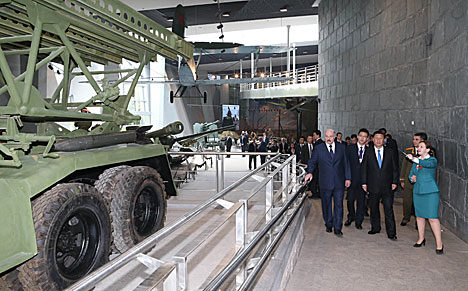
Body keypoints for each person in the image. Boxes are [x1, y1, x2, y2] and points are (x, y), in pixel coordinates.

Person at [305, 129, 351, 236]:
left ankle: (338, 227)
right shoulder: (319, 149)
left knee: (339, 205)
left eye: (330, 136)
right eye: (326, 136)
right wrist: (310, 172)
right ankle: (329, 223)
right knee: (326, 204)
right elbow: (312, 162)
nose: (329, 138)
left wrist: (348, 178)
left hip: (339, 182)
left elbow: (346, 164)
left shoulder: (342, 148)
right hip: (325, 182)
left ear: (335, 137)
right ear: (324, 137)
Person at [361, 131, 399, 240]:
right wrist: (364, 182)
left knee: (388, 209)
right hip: (373, 185)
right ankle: (375, 227)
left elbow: (395, 168)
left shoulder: (390, 151)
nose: (378, 140)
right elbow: (364, 168)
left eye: (380, 138)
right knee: (374, 208)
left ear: (384, 140)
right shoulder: (368, 152)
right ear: (372, 139)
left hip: (387, 186)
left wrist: (394, 182)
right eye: (376, 138)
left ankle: (391, 232)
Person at [407, 141, 443, 254]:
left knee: (432, 218)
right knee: (419, 217)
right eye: (418, 147)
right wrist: (412, 178)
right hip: (418, 191)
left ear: (428, 150)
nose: (418, 148)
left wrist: (414, 159)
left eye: (421, 147)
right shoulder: (416, 162)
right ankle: (421, 238)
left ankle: (439, 243)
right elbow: (411, 174)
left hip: (430, 192)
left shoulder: (432, 160)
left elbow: (426, 165)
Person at [399, 132, 427, 226]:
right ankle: (406, 217)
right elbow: (404, 165)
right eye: (413, 139)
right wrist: (402, 179)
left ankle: (418, 220)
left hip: (420, 181)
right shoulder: (409, 150)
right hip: (408, 180)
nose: (414, 141)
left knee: (419, 202)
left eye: (417, 139)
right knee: (407, 200)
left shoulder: (427, 152)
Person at [344, 128, 369, 229]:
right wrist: (347, 178)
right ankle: (351, 216)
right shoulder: (350, 148)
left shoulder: (369, 150)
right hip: (351, 179)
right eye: (361, 136)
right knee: (350, 199)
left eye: (365, 136)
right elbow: (346, 164)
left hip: (363, 181)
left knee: (361, 201)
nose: (362, 138)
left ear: (367, 138)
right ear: (358, 136)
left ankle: (359, 221)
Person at [310, 130, 323, 199]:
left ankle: (315, 194)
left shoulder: (317, 144)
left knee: (314, 180)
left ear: (318, 135)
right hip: (321, 165)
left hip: (317, 165)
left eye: (314, 135)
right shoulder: (322, 143)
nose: (313, 137)